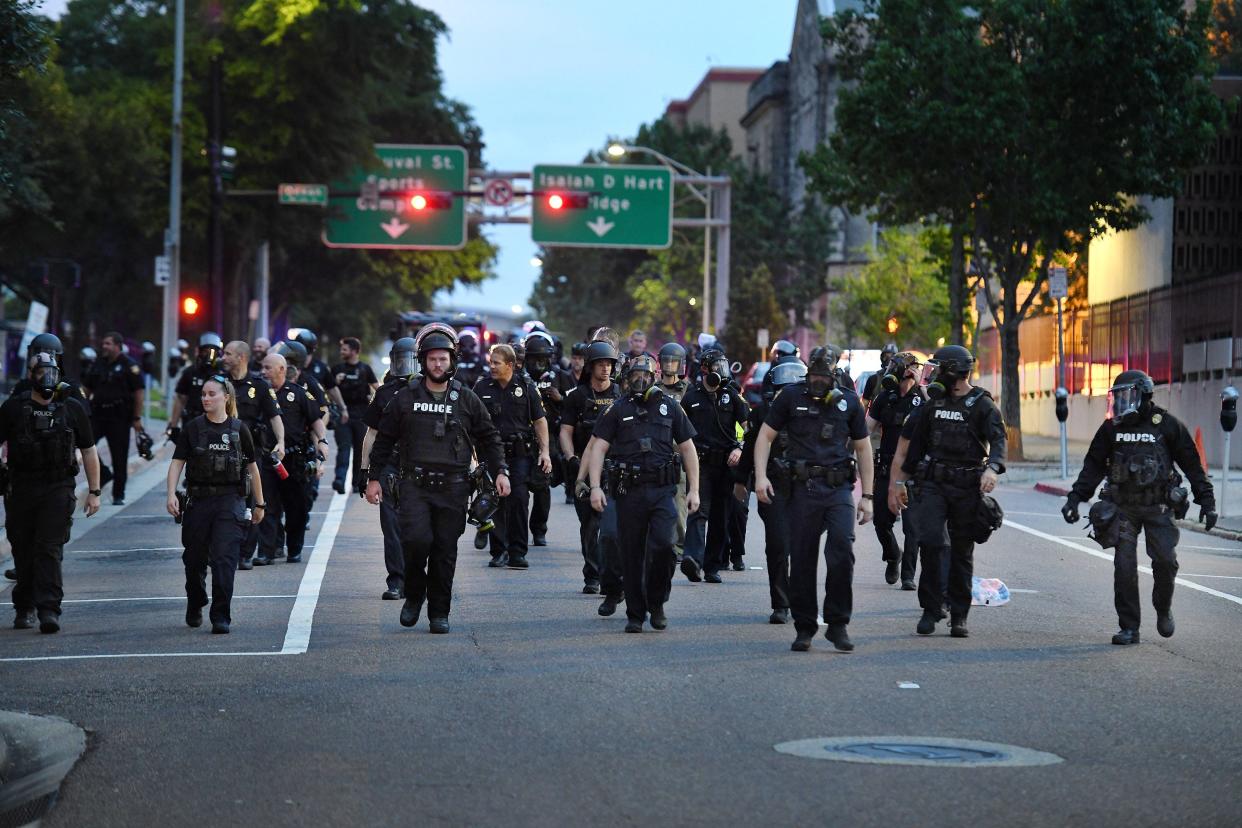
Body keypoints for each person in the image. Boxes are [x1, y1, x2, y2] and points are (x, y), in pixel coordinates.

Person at [366, 323, 510, 634]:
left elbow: (489, 437)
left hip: (454, 487)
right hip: (414, 485)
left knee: (445, 551)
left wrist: (500, 471)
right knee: (416, 544)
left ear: (452, 361)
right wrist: (374, 478)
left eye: (443, 359)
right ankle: (414, 596)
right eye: (432, 359)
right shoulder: (405, 398)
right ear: (423, 362)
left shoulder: (467, 398)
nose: (438, 364)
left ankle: (439, 612)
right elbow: (384, 440)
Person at [1061, 369, 1216, 645]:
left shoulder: (1166, 424)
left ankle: (1163, 606)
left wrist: (1207, 501)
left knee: (1166, 563)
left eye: (1127, 395)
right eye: (1117, 397)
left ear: (1144, 396)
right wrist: (1075, 498)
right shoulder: (1112, 428)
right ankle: (1129, 627)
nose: (1121, 402)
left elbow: (1193, 464)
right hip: (1123, 506)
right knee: (1124, 566)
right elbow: (1093, 466)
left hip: (1158, 506)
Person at [754, 346, 874, 652]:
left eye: (824, 375)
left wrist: (868, 496)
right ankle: (804, 626)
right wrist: (760, 477)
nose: (818, 381)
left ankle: (837, 624)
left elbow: (862, 448)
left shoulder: (848, 402)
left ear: (834, 376)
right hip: (803, 490)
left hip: (838, 491)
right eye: (815, 375)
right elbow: (765, 437)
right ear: (809, 373)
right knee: (803, 560)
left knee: (841, 551)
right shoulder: (790, 398)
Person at [888, 344, 1006, 639]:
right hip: (934, 485)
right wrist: (898, 484)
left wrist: (993, 469)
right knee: (931, 542)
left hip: (966, 486)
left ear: (953, 371)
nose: (933, 375)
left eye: (938, 369)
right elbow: (913, 450)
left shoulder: (982, 404)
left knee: (962, 551)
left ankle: (958, 615)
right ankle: (931, 609)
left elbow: (999, 440)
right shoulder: (932, 406)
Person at [584, 355, 700, 633]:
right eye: (635, 375)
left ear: (654, 377)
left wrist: (694, 489)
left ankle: (657, 602)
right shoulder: (616, 409)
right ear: (627, 378)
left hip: (662, 492)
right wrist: (596, 486)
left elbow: (688, 449)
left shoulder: (670, 407)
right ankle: (635, 614)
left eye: (646, 376)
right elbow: (598, 448)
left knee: (663, 546)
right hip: (629, 493)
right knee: (631, 554)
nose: (640, 380)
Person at [2, 352, 102, 633]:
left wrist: (94, 491)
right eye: (39, 371)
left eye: (51, 371)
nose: (46, 377)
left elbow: (89, 450)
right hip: (21, 487)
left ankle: (49, 610)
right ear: (30, 374)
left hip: (58, 487)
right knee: (23, 550)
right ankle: (24, 607)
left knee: (49, 548)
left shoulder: (71, 409)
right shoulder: (12, 408)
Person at [165, 376, 265, 634]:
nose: (206, 398)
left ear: (226, 398)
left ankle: (221, 615)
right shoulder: (193, 428)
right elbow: (177, 462)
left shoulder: (239, 429)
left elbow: (252, 467)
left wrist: (260, 504)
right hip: (198, 501)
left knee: (224, 559)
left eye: (212, 394)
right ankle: (195, 601)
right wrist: (171, 494)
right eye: (203, 394)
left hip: (230, 501)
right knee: (194, 559)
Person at [733, 358, 807, 624]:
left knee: (801, 545)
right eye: (782, 390)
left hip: (805, 488)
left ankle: (800, 598)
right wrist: (741, 481)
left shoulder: (811, 411)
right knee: (778, 544)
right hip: (772, 486)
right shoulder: (763, 413)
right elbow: (751, 446)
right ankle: (781, 603)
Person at [473, 343, 551, 569]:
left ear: (510, 365)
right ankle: (498, 551)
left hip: (520, 454)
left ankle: (517, 552)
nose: (492, 367)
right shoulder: (482, 388)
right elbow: (471, 423)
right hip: (491, 455)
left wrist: (545, 452)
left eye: (496, 363)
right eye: (490, 362)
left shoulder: (526, 387)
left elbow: (539, 421)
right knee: (496, 501)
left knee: (518, 500)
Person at [559, 340, 624, 602]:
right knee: (589, 524)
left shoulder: (621, 394)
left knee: (611, 526)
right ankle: (592, 575)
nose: (606, 369)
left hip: (615, 468)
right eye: (601, 364)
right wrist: (571, 458)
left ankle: (610, 574)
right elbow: (565, 431)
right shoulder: (576, 396)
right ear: (590, 367)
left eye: (609, 364)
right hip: (584, 471)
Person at [680, 346, 749, 583]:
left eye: (723, 366)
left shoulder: (733, 395)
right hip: (700, 464)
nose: (722, 371)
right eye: (717, 367)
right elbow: (680, 432)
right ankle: (692, 560)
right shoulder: (691, 397)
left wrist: (740, 448)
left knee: (721, 516)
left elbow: (748, 428)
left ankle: (712, 567)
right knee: (697, 510)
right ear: (704, 370)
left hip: (727, 465)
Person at [359, 337, 418, 600]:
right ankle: (396, 580)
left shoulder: (432, 389)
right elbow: (371, 434)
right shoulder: (384, 393)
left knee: (419, 528)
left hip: (422, 468)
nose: (404, 365)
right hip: (391, 467)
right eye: (400, 359)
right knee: (392, 527)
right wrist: (364, 470)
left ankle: (417, 577)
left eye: (410, 359)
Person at [255, 353, 327, 566]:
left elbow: (316, 420)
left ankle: (294, 548)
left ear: (282, 369)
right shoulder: (258, 393)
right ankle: (267, 550)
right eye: (263, 367)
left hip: (294, 460)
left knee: (296, 508)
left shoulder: (298, 394)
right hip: (267, 458)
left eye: (268, 368)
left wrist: (322, 441)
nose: (264, 372)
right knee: (268, 505)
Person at [222, 340, 285, 570]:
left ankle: (245, 553)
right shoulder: (220, 382)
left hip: (250, 452)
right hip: (221, 450)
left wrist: (281, 441)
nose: (223, 357)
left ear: (241, 357)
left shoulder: (259, 385)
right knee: (222, 500)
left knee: (252, 501)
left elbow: (274, 416)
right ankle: (223, 549)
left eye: (228, 354)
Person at [865, 352, 924, 590]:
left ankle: (908, 575)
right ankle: (893, 555)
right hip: (887, 467)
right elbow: (866, 429)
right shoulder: (884, 398)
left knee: (912, 527)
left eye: (898, 366)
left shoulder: (924, 397)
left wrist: (921, 384)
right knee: (881, 521)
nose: (893, 369)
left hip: (913, 470)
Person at [82, 331, 145, 505]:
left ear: (117, 346)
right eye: (103, 344)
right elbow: (86, 388)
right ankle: (103, 474)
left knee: (119, 456)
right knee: (86, 444)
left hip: (119, 417)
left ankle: (119, 494)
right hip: (98, 415)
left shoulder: (129, 366)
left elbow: (139, 392)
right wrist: (80, 405)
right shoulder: (98, 364)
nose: (104, 347)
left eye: (108, 344)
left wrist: (137, 417)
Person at [525, 331, 575, 536]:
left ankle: (539, 530)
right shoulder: (520, 379)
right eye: (535, 359)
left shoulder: (561, 376)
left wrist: (560, 398)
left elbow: (574, 405)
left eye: (543, 359)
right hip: (524, 436)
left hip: (551, 436)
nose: (539, 363)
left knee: (543, 484)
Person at [331, 337, 379, 494]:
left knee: (360, 450)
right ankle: (339, 479)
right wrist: (336, 382)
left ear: (355, 351)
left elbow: (378, 389)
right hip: (343, 415)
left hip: (361, 416)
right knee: (344, 448)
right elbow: (329, 393)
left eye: (345, 349)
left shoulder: (365, 369)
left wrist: (372, 399)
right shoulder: (337, 369)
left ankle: (357, 483)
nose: (342, 352)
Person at [657, 343, 691, 551]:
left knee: (679, 503)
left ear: (681, 364)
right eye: (666, 361)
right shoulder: (652, 388)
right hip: (657, 453)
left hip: (680, 456)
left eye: (674, 361)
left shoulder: (689, 390)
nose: (670, 365)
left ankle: (679, 546)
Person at [168, 332, 225, 436]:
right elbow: (180, 399)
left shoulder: (224, 374)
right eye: (205, 351)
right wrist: (173, 426)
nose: (209, 356)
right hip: (192, 422)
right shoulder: (190, 372)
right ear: (199, 352)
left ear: (218, 353)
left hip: (216, 424)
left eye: (212, 352)